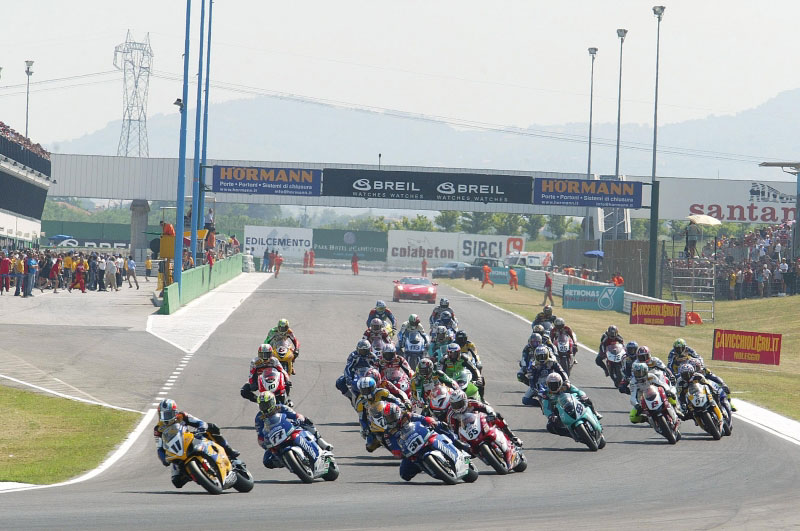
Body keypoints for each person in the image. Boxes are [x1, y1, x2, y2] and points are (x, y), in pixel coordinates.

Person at [154, 398, 240, 488]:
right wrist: (164, 459)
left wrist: (201, 428)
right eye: (163, 415)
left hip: (189, 439)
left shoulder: (182, 416)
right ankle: (196, 474)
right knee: (177, 482)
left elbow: (199, 422)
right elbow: (159, 448)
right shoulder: (158, 429)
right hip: (176, 451)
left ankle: (228, 450)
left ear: (175, 412)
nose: (166, 418)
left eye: (168, 414)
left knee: (212, 427)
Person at [381, 403, 467, 481]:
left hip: (423, 436)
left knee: (440, 425)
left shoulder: (407, 416)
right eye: (387, 418)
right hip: (410, 450)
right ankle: (424, 466)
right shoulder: (388, 433)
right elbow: (393, 447)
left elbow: (422, 419)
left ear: (397, 413)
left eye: (391, 417)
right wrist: (398, 453)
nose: (389, 420)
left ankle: (456, 442)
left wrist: (431, 421)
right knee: (404, 475)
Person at [256, 392, 332, 470]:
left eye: (266, 404)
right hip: (274, 439)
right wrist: (264, 444)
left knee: (307, 421)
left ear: (272, 402)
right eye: (262, 405)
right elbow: (260, 435)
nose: (264, 407)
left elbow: (296, 415)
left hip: (288, 430)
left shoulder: (281, 407)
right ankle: (287, 462)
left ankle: (321, 442)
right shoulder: (259, 418)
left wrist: (299, 420)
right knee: (267, 461)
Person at [447, 389, 523, 451]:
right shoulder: (451, 415)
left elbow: (486, 407)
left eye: (459, 404)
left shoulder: (471, 403)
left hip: (480, 422)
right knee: (461, 447)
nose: (457, 407)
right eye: (454, 405)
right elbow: (453, 431)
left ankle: (512, 437)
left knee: (497, 416)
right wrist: (460, 442)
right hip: (467, 431)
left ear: (465, 400)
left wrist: (491, 414)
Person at [354, 376, 406, 451]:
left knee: (404, 418)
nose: (366, 392)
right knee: (370, 446)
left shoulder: (382, 392)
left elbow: (394, 400)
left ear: (373, 387)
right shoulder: (360, 402)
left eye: (368, 389)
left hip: (389, 414)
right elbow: (361, 417)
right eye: (364, 390)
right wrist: (365, 429)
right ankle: (380, 440)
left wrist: (401, 405)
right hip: (373, 419)